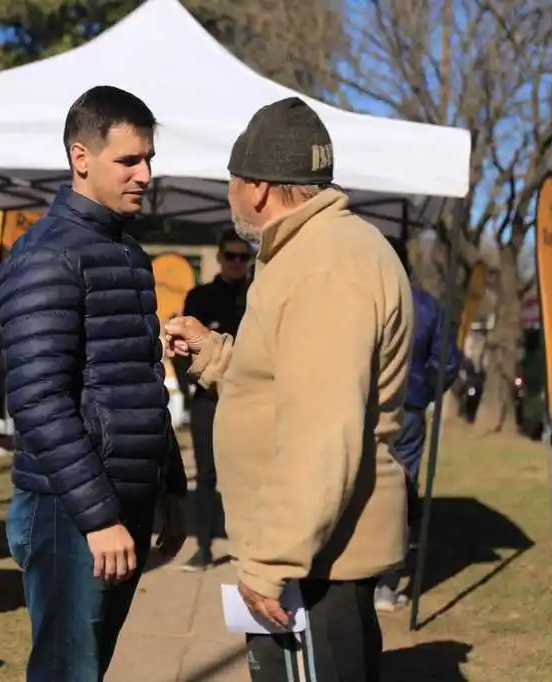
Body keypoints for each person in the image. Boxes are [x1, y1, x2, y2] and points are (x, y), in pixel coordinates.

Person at [164, 97, 413, 682]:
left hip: (314, 562)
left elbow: (324, 431)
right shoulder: (308, 252)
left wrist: (272, 560)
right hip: (311, 549)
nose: (229, 199)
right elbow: (287, 382)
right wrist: (215, 355)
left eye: (229, 184)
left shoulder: (324, 266)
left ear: (254, 188)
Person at [0, 85, 188, 682]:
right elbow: (37, 399)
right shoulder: (47, 255)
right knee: (65, 673)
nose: (145, 174)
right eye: (129, 160)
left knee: (89, 669)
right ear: (82, 158)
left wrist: (170, 485)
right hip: (69, 509)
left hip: (119, 499)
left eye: (149, 158)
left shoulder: (128, 254)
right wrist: (98, 516)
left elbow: (142, 384)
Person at [375, 283, 461, 611]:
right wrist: (421, 393)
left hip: (360, 404)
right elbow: (447, 364)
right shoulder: (426, 305)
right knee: (401, 488)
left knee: (358, 486)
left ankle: (357, 578)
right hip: (407, 407)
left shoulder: (355, 292)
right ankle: (387, 584)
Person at [177, 229, 251, 571]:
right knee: (206, 475)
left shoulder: (259, 296)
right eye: (231, 256)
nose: (237, 263)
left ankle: (252, 547)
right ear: (220, 257)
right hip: (209, 398)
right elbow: (181, 349)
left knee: (252, 475)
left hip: (252, 400)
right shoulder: (201, 297)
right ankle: (204, 547)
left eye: (243, 257)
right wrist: (194, 383)